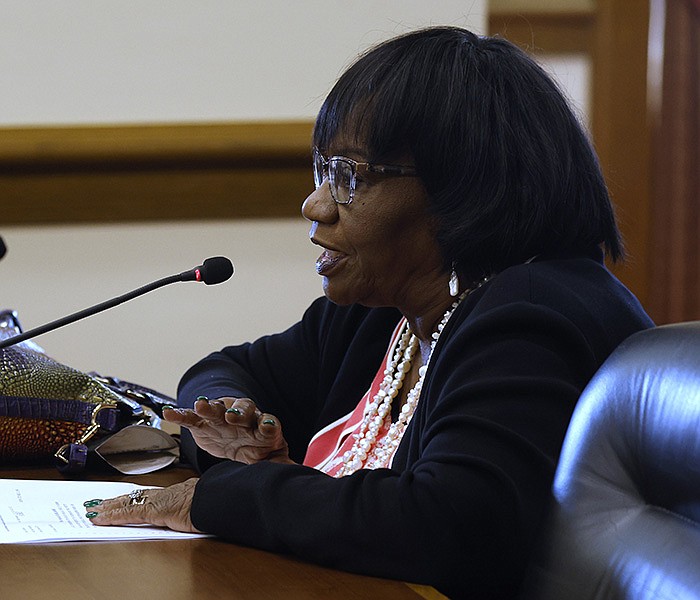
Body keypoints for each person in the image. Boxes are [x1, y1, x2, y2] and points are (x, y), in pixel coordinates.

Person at [84, 26, 654, 598]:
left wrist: (219, 497)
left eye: (348, 177)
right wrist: (236, 420)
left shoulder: (531, 318)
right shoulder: (388, 312)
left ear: (461, 187)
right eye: (322, 170)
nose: (315, 205)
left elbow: (446, 524)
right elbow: (225, 368)